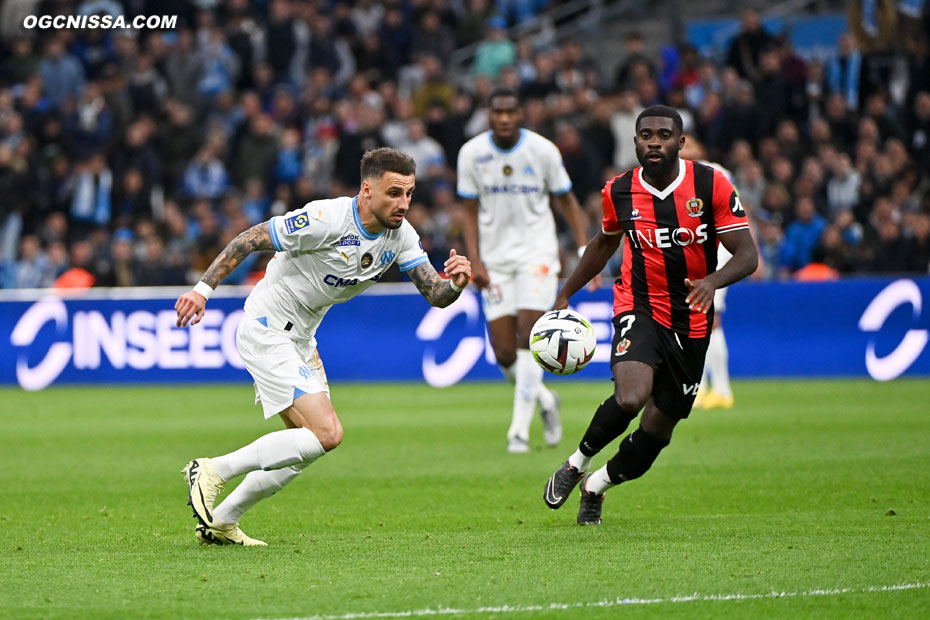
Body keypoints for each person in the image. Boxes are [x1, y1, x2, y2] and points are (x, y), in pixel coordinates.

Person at [175, 148, 471, 546]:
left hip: (302, 338)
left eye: (409, 194)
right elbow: (250, 239)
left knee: (304, 447)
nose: (403, 204)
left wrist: (455, 283)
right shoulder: (326, 219)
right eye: (394, 193)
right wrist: (202, 290)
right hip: (268, 327)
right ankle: (212, 469)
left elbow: (434, 293)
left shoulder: (401, 236)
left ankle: (223, 520)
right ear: (367, 190)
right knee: (327, 433)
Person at [542, 106, 758, 525]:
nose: (653, 142)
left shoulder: (710, 184)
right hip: (638, 304)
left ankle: (597, 485)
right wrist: (566, 291)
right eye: (646, 135)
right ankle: (575, 464)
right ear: (635, 141)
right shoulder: (619, 190)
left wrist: (712, 281)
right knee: (631, 396)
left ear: (680, 142)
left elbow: (747, 255)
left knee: (657, 431)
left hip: (692, 318)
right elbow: (604, 243)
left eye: (663, 134)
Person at [457, 87, 592, 454]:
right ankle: (547, 401)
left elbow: (566, 198)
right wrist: (476, 260)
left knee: (528, 338)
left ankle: (517, 431)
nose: (503, 118)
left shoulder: (543, 150)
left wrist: (583, 249)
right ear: (489, 114)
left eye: (510, 112)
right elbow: (468, 210)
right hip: (495, 259)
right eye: (496, 112)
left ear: (520, 114)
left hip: (537, 252)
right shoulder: (471, 153)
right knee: (503, 352)